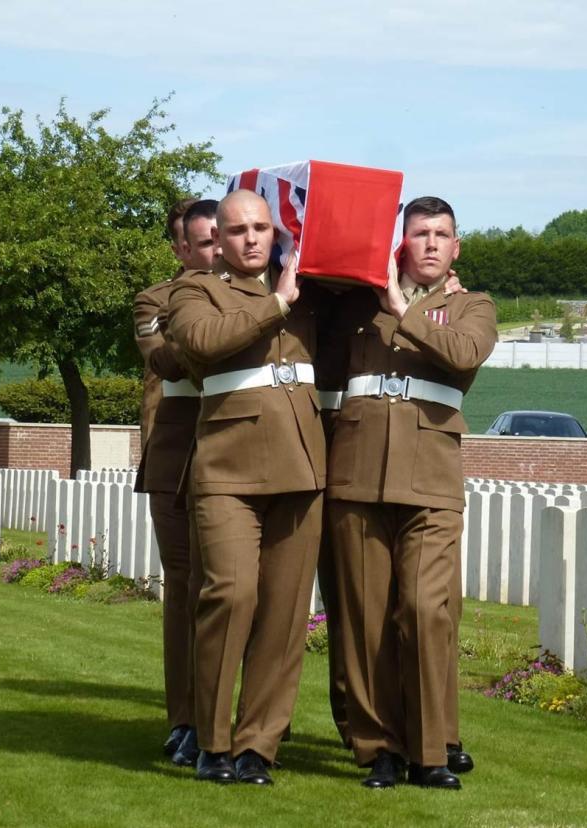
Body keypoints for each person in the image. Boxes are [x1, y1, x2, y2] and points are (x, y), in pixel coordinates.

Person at [325, 196, 497, 789]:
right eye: (418, 232)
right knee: (365, 620)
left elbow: (464, 356)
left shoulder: (474, 307)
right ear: (399, 242)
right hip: (358, 474)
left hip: (430, 482)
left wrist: (401, 309)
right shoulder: (355, 308)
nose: (429, 242)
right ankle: (381, 751)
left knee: (425, 611)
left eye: (440, 234)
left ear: (456, 247)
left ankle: (431, 750)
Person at [167, 189, 327, 785]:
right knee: (229, 597)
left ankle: (258, 745)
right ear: (220, 238)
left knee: (285, 617)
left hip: (302, 467)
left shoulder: (305, 287)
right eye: (237, 231)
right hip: (228, 471)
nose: (252, 239)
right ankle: (211, 740)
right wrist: (277, 305)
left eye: (262, 227)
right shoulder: (195, 291)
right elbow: (203, 344)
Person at [133, 198, 219, 762]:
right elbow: (174, 358)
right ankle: (186, 719)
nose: (218, 249)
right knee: (186, 592)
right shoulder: (155, 301)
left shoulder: (259, 296)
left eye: (223, 237)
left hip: (243, 458)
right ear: (181, 249)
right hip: (177, 460)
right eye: (207, 241)